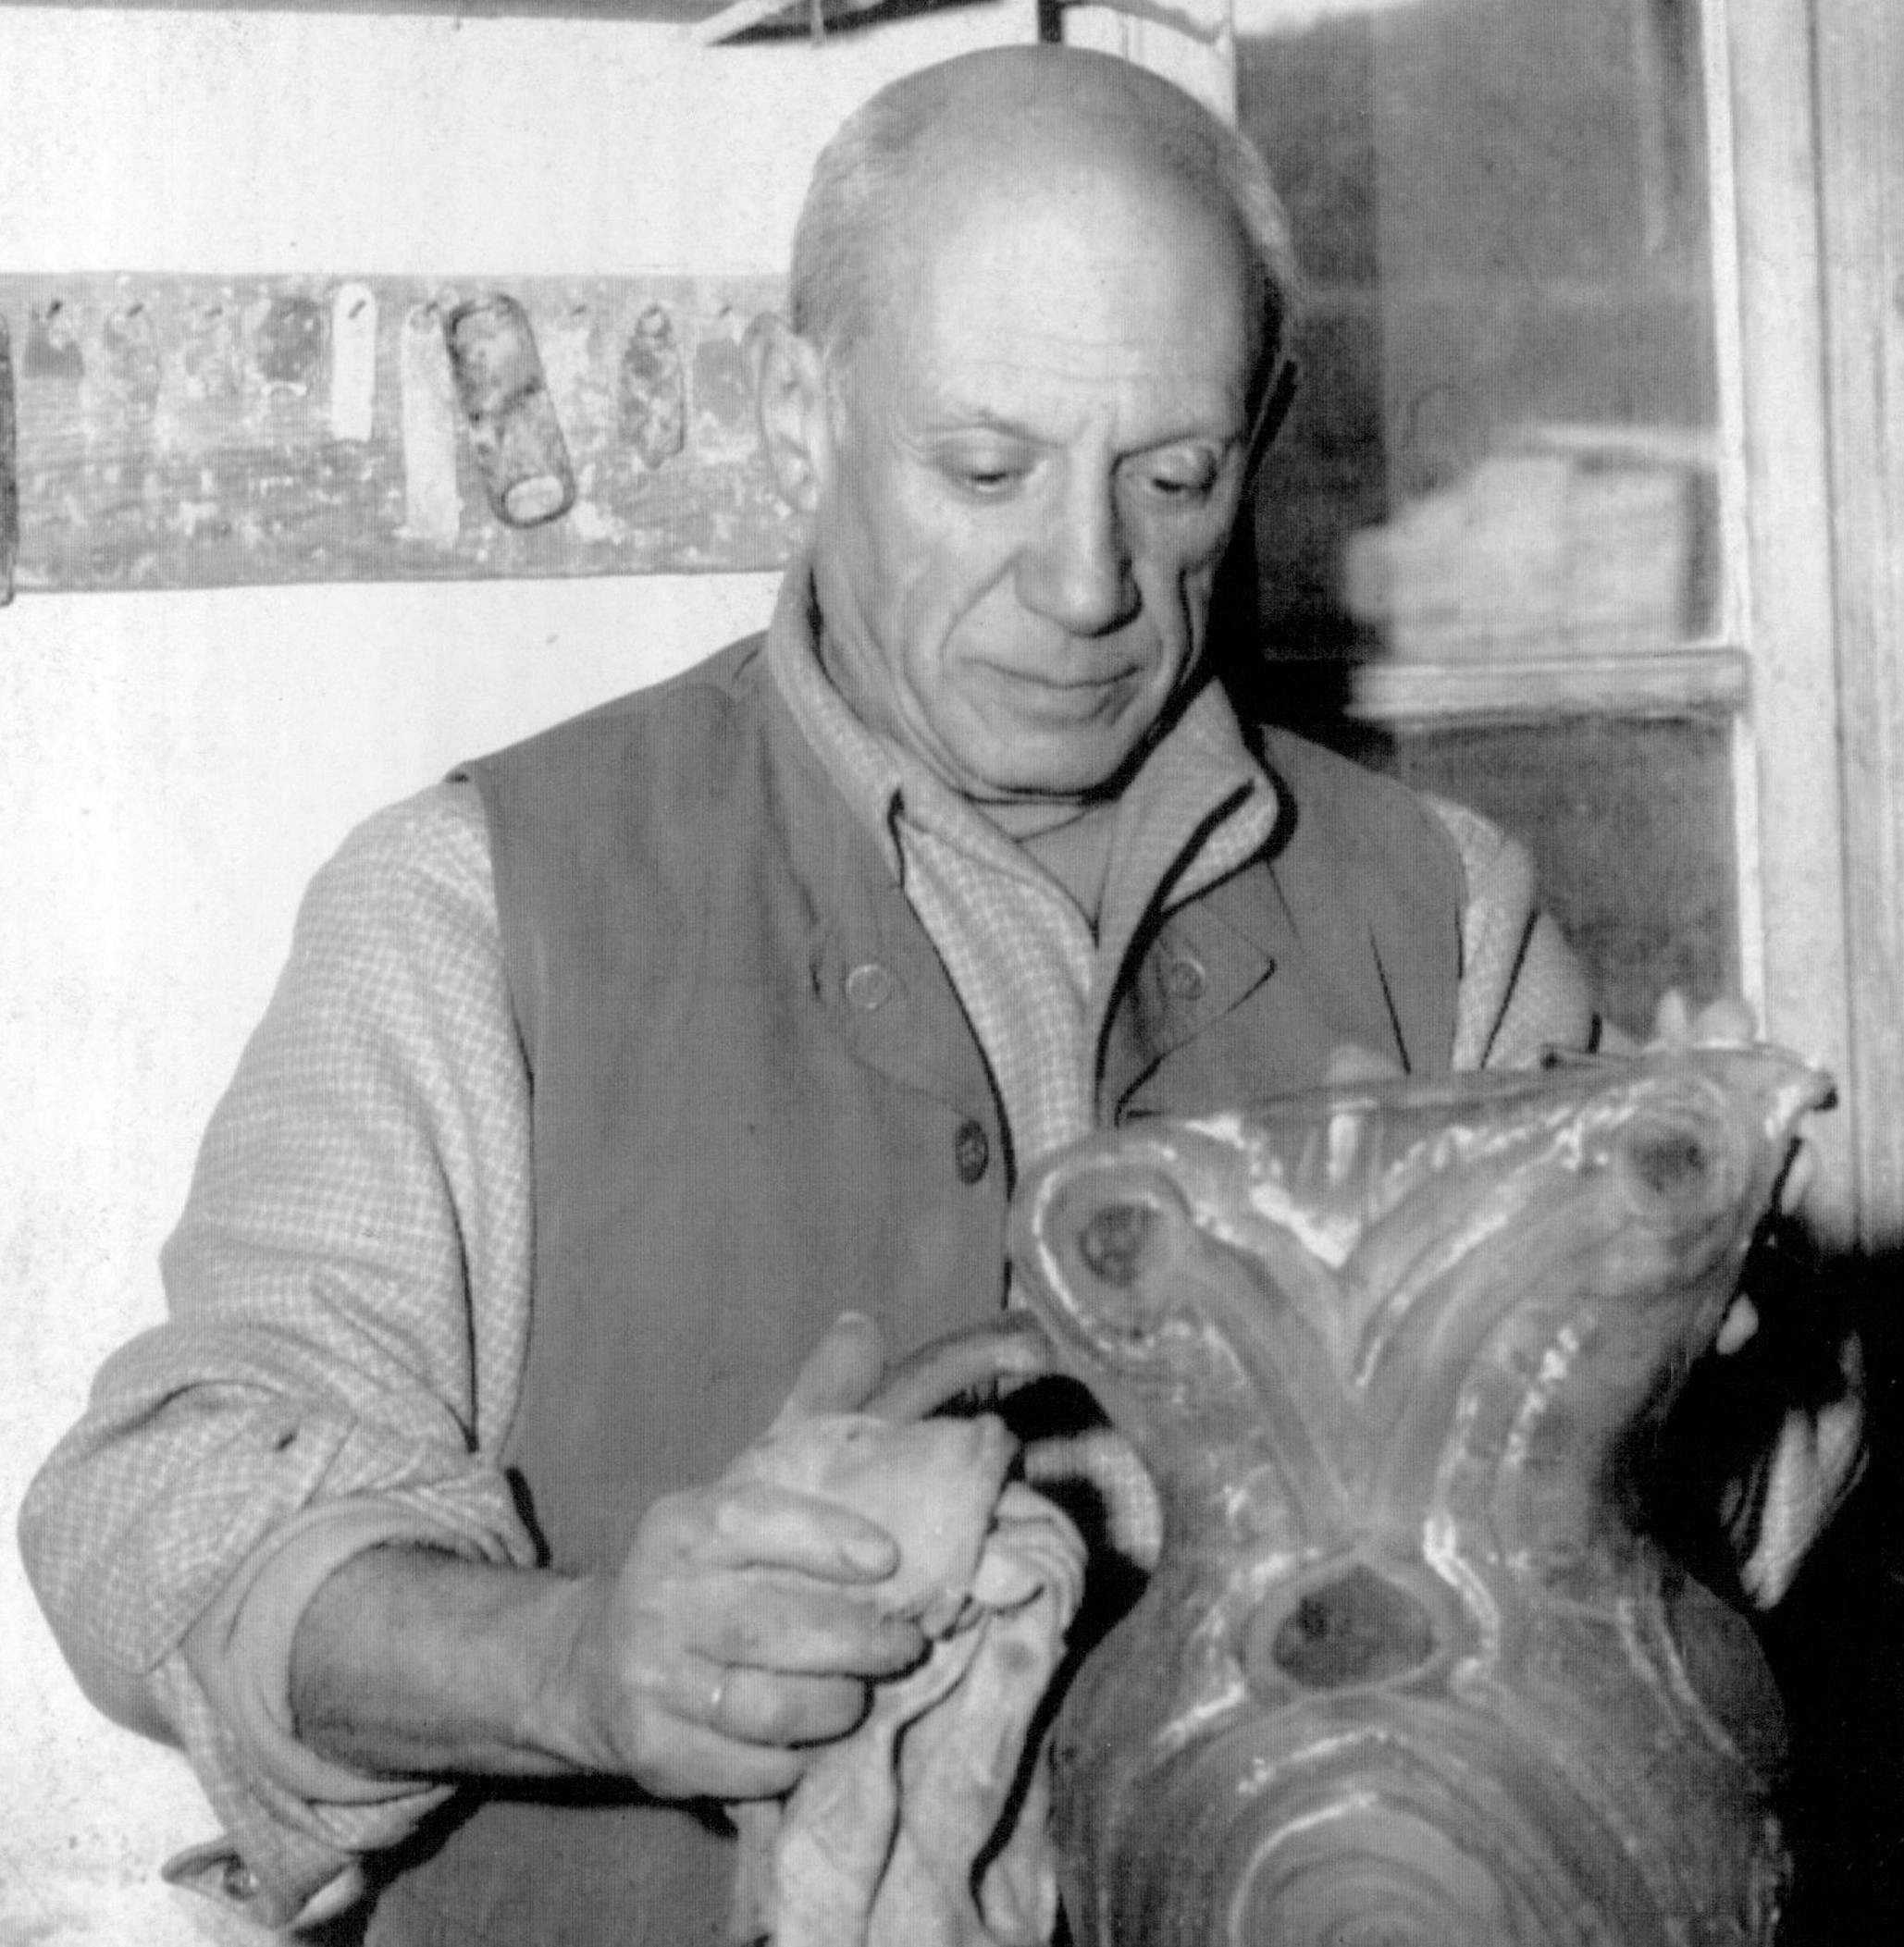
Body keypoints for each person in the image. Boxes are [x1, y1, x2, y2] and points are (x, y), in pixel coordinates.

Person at [20, 43, 1781, 1947]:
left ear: (1260, 433)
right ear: (803, 415)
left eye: (1175, 476)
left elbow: (1627, 1589)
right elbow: (158, 1512)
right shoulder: (481, 906)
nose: (1092, 579)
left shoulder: (1444, 915)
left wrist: (1725, 1411)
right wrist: (579, 1664)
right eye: (987, 468)